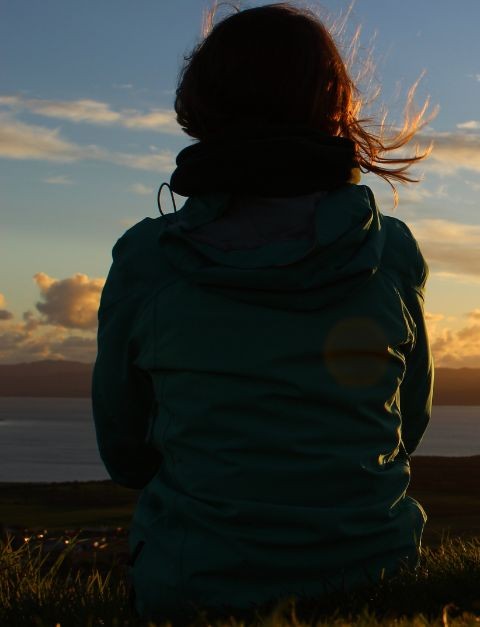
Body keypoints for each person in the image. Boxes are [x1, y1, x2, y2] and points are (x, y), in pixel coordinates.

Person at [91, 4, 434, 617]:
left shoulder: (148, 259)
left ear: (202, 106)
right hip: (379, 584)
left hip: (195, 592)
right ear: (334, 106)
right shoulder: (390, 252)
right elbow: (407, 426)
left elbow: (125, 454)